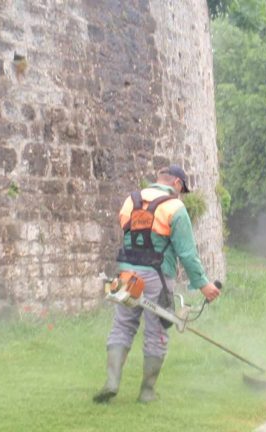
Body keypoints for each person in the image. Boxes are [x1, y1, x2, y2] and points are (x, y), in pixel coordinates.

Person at [93, 165, 221, 404]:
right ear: (178, 185)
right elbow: (187, 253)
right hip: (157, 277)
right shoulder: (175, 207)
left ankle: (112, 382)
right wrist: (203, 285)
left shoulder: (130, 201)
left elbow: (129, 235)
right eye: (182, 191)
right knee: (156, 332)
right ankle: (147, 392)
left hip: (126, 274)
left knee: (122, 326)